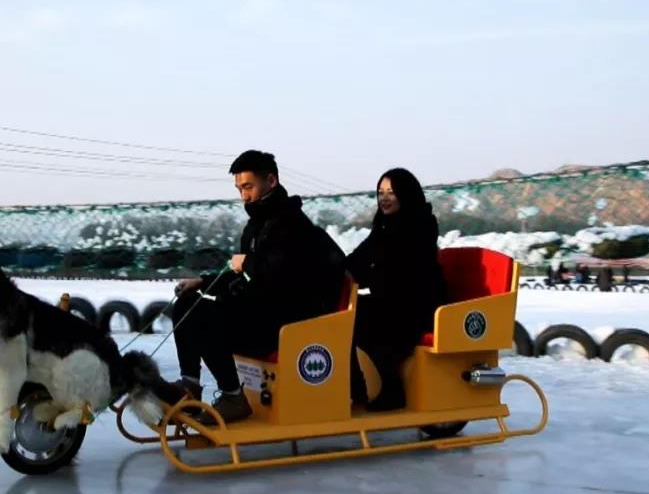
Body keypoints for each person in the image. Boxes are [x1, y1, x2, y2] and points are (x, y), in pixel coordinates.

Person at [171, 150, 346, 424]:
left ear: (271, 181)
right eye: (240, 188)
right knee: (187, 304)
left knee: (207, 317)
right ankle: (190, 388)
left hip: (287, 321)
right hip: (260, 311)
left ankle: (233, 397)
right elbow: (245, 273)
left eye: (249, 187)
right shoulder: (257, 226)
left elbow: (283, 275)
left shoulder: (292, 224)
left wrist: (248, 263)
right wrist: (203, 282)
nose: (244, 195)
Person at [347, 168, 447, 411]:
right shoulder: (384, 226)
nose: (384, 198)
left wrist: (364, 277)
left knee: (363, 320)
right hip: (391, 301)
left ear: (407, 193)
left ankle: (392, 390)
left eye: (391, 192)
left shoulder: (420, 226)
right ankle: (356, 387)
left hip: (417, 305)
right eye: (380, 192)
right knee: (343, 317)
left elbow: (398, 271)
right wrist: (340, 270)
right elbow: (361, 257)